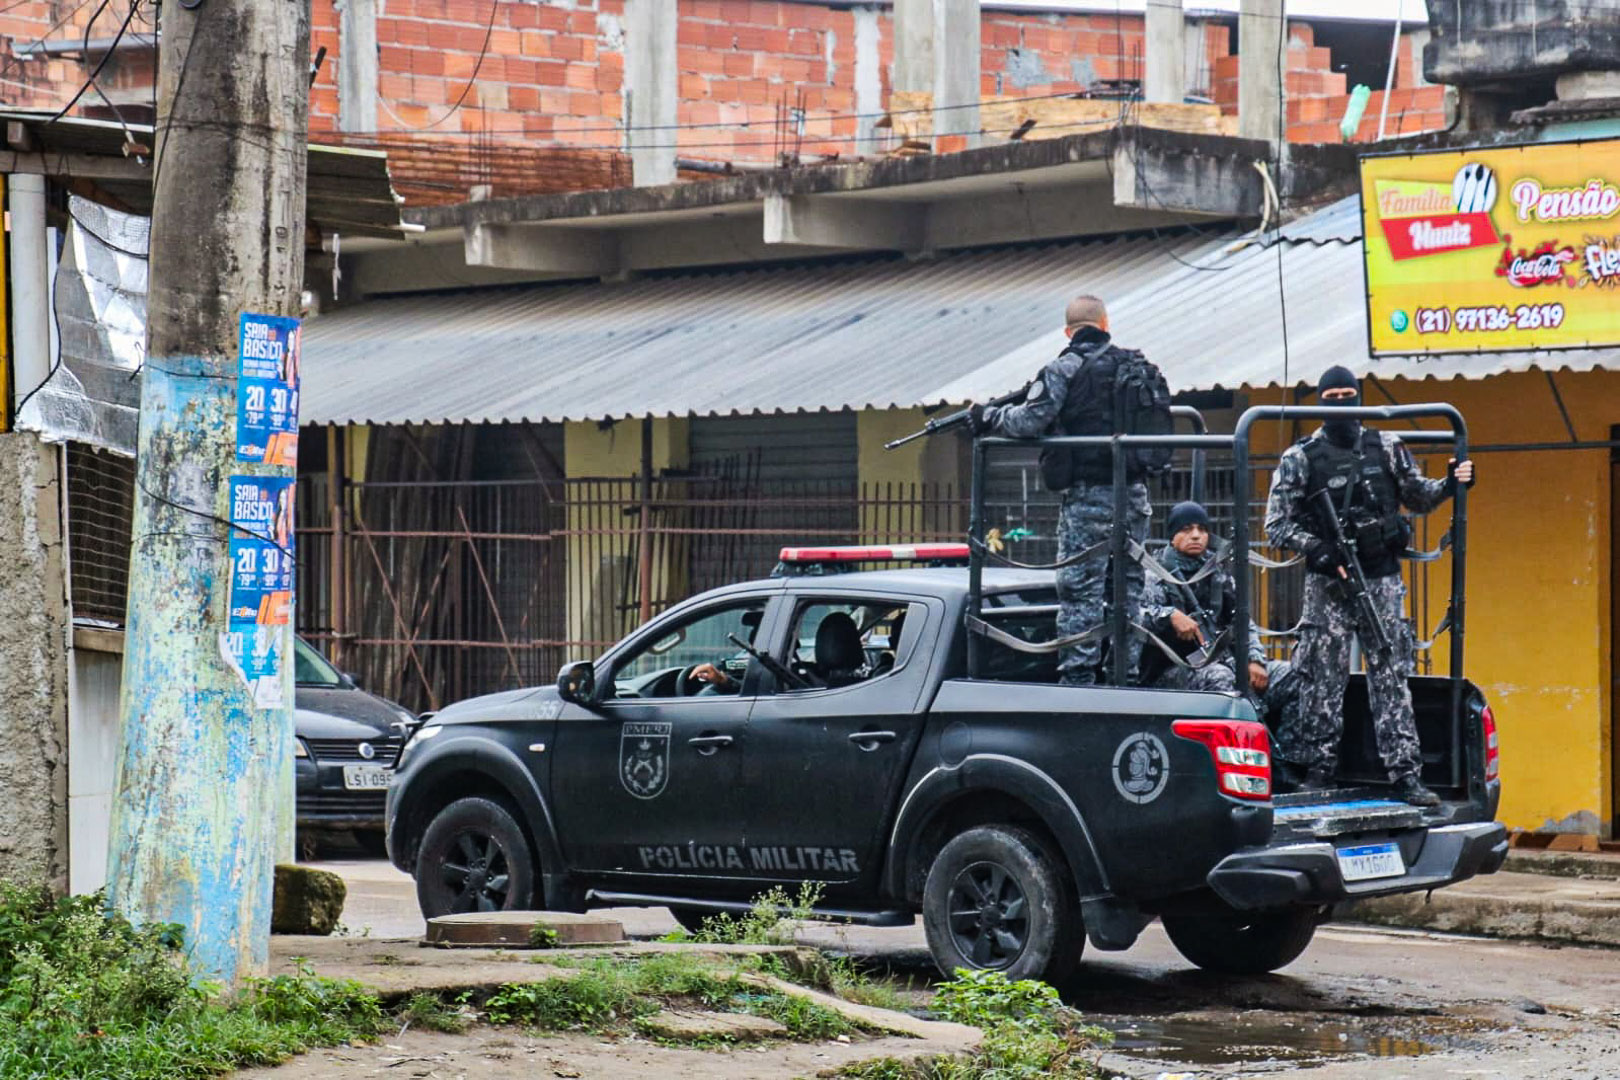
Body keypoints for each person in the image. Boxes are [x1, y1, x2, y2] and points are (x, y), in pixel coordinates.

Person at [1264, 365, 1475, 807]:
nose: (1342, 403)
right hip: (1329, 586)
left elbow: (1418, 497)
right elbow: (1277, 525)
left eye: (1349, 394)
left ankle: (1405, 774)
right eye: (1332, 396)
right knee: (1322, 679)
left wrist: (1453, 483)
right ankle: (1319, 771)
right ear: (1320, 402)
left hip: (1380, 579)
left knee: (1391, 676)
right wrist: (1317, 547)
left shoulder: (1388, 447)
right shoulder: (1300, 457)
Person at [969, 294, 1155, 685]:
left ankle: (1079, 683)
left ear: (1069, 331)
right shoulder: (1137, 366)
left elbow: (1028, 422)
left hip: (1088, 499)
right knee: (1129, 590)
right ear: (1106, 325)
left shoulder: (1063, 368)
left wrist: (989, 416)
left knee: (1079, 593)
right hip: (1135, 495)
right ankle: (1127, 677)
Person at [1138, 500, 1302, 728]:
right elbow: (1134, 615)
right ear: (1172, 536)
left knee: (1294, 676)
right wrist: (1170, 616)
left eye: (1202, 530)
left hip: (1225, 662)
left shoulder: (1216, 574)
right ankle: (1233, 756)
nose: (1196, 536)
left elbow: (1242, 622)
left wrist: (1254, 660)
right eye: (1187, 530)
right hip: (1168, 674)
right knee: (1220, 678)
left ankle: (1291, 760)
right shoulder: (1154, 573)